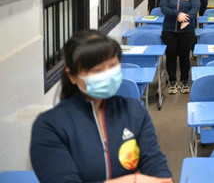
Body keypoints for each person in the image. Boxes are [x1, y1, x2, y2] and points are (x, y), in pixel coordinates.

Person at [30, 30, 172, 183]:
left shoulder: (133, 110)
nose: (107, 75)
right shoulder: (51, 125)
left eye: (112, 66)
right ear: (72, 76)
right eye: (97, 70)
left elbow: (153, 159)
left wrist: (162, 179)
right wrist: (132, 181)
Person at [160, 0, 200, 94]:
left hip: (187, 30)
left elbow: (196, 7)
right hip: (169, 30)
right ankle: (172, 81)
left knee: (184, 56)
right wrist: (177, 14)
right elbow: (163, 8)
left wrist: (186, 19)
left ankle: (184, 81)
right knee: (170, 56)